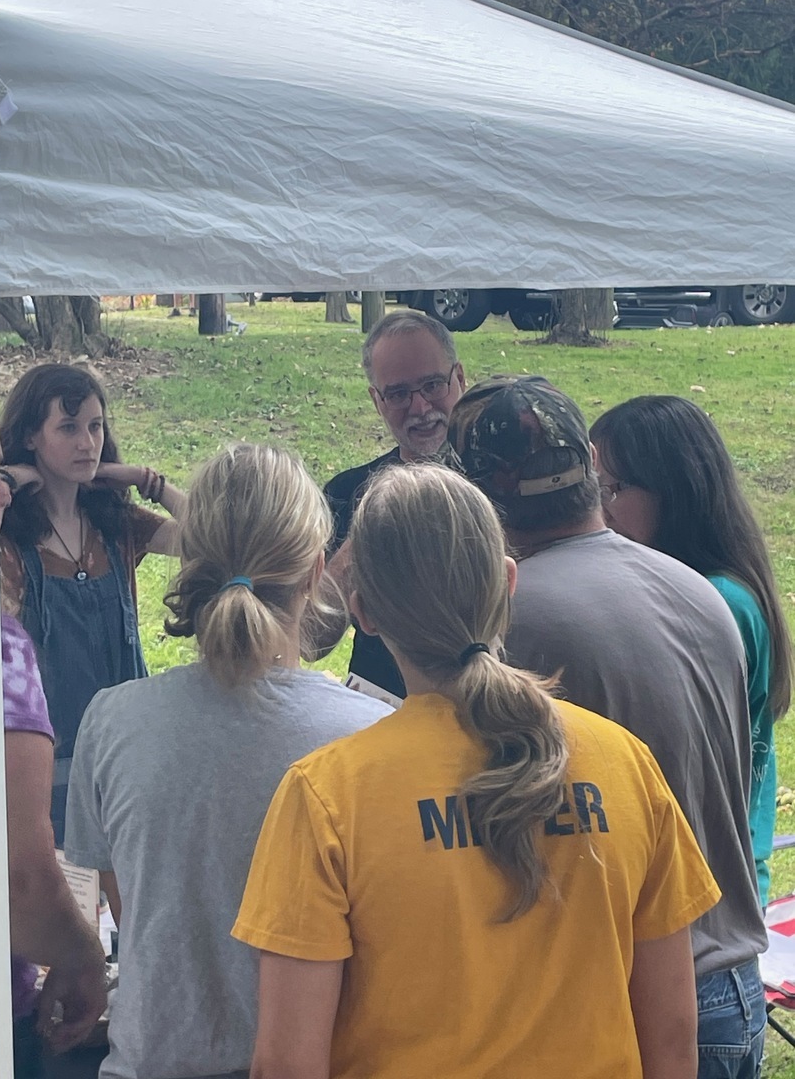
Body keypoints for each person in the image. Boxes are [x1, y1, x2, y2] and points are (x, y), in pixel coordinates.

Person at [233, 463, 720, 1079]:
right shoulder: (624, 762)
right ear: (508, 583)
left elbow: (286, 1064)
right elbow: (674, 1039)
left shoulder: (327, 796)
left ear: (362, 610)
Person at [448, 375, 767, 1079]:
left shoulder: (511, 620)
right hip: (734, 984)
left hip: (638, 998)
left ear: (484, 500)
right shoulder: (700, 590)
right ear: (588, 473)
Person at [64, 443, 392, 1079]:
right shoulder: (372, 738)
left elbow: (134, 919)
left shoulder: (110, 721)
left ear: (188, 563)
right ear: (316, 571)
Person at [589, 394, 793, 909]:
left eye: (615, 487)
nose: (600, 508)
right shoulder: (698, 591)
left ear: (675, 490)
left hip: (707, 900)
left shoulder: (715, 602)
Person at [0, 363, 185, 844]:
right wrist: (7, 484)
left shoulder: (115, 524)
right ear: (30, 437)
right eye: (68, 427)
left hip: (129, 759)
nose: (87, 443)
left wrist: (149, 481)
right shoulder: (8, 543)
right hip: (46, 776)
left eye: (96, 427)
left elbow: (212, 537)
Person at [0, 436, 107, 1078]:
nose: (4, 487)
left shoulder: (111, 527)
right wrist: (82, 956)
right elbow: (21, 877)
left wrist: (142, 479)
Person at [320, 310, 466, 703]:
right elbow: (311, 638)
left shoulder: (506, 480)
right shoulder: (347, 492)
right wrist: (373, 523)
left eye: (433, 386)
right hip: (378, 709)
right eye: (399, 394)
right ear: (376, 400)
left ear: (460, 379)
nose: (419, 408)